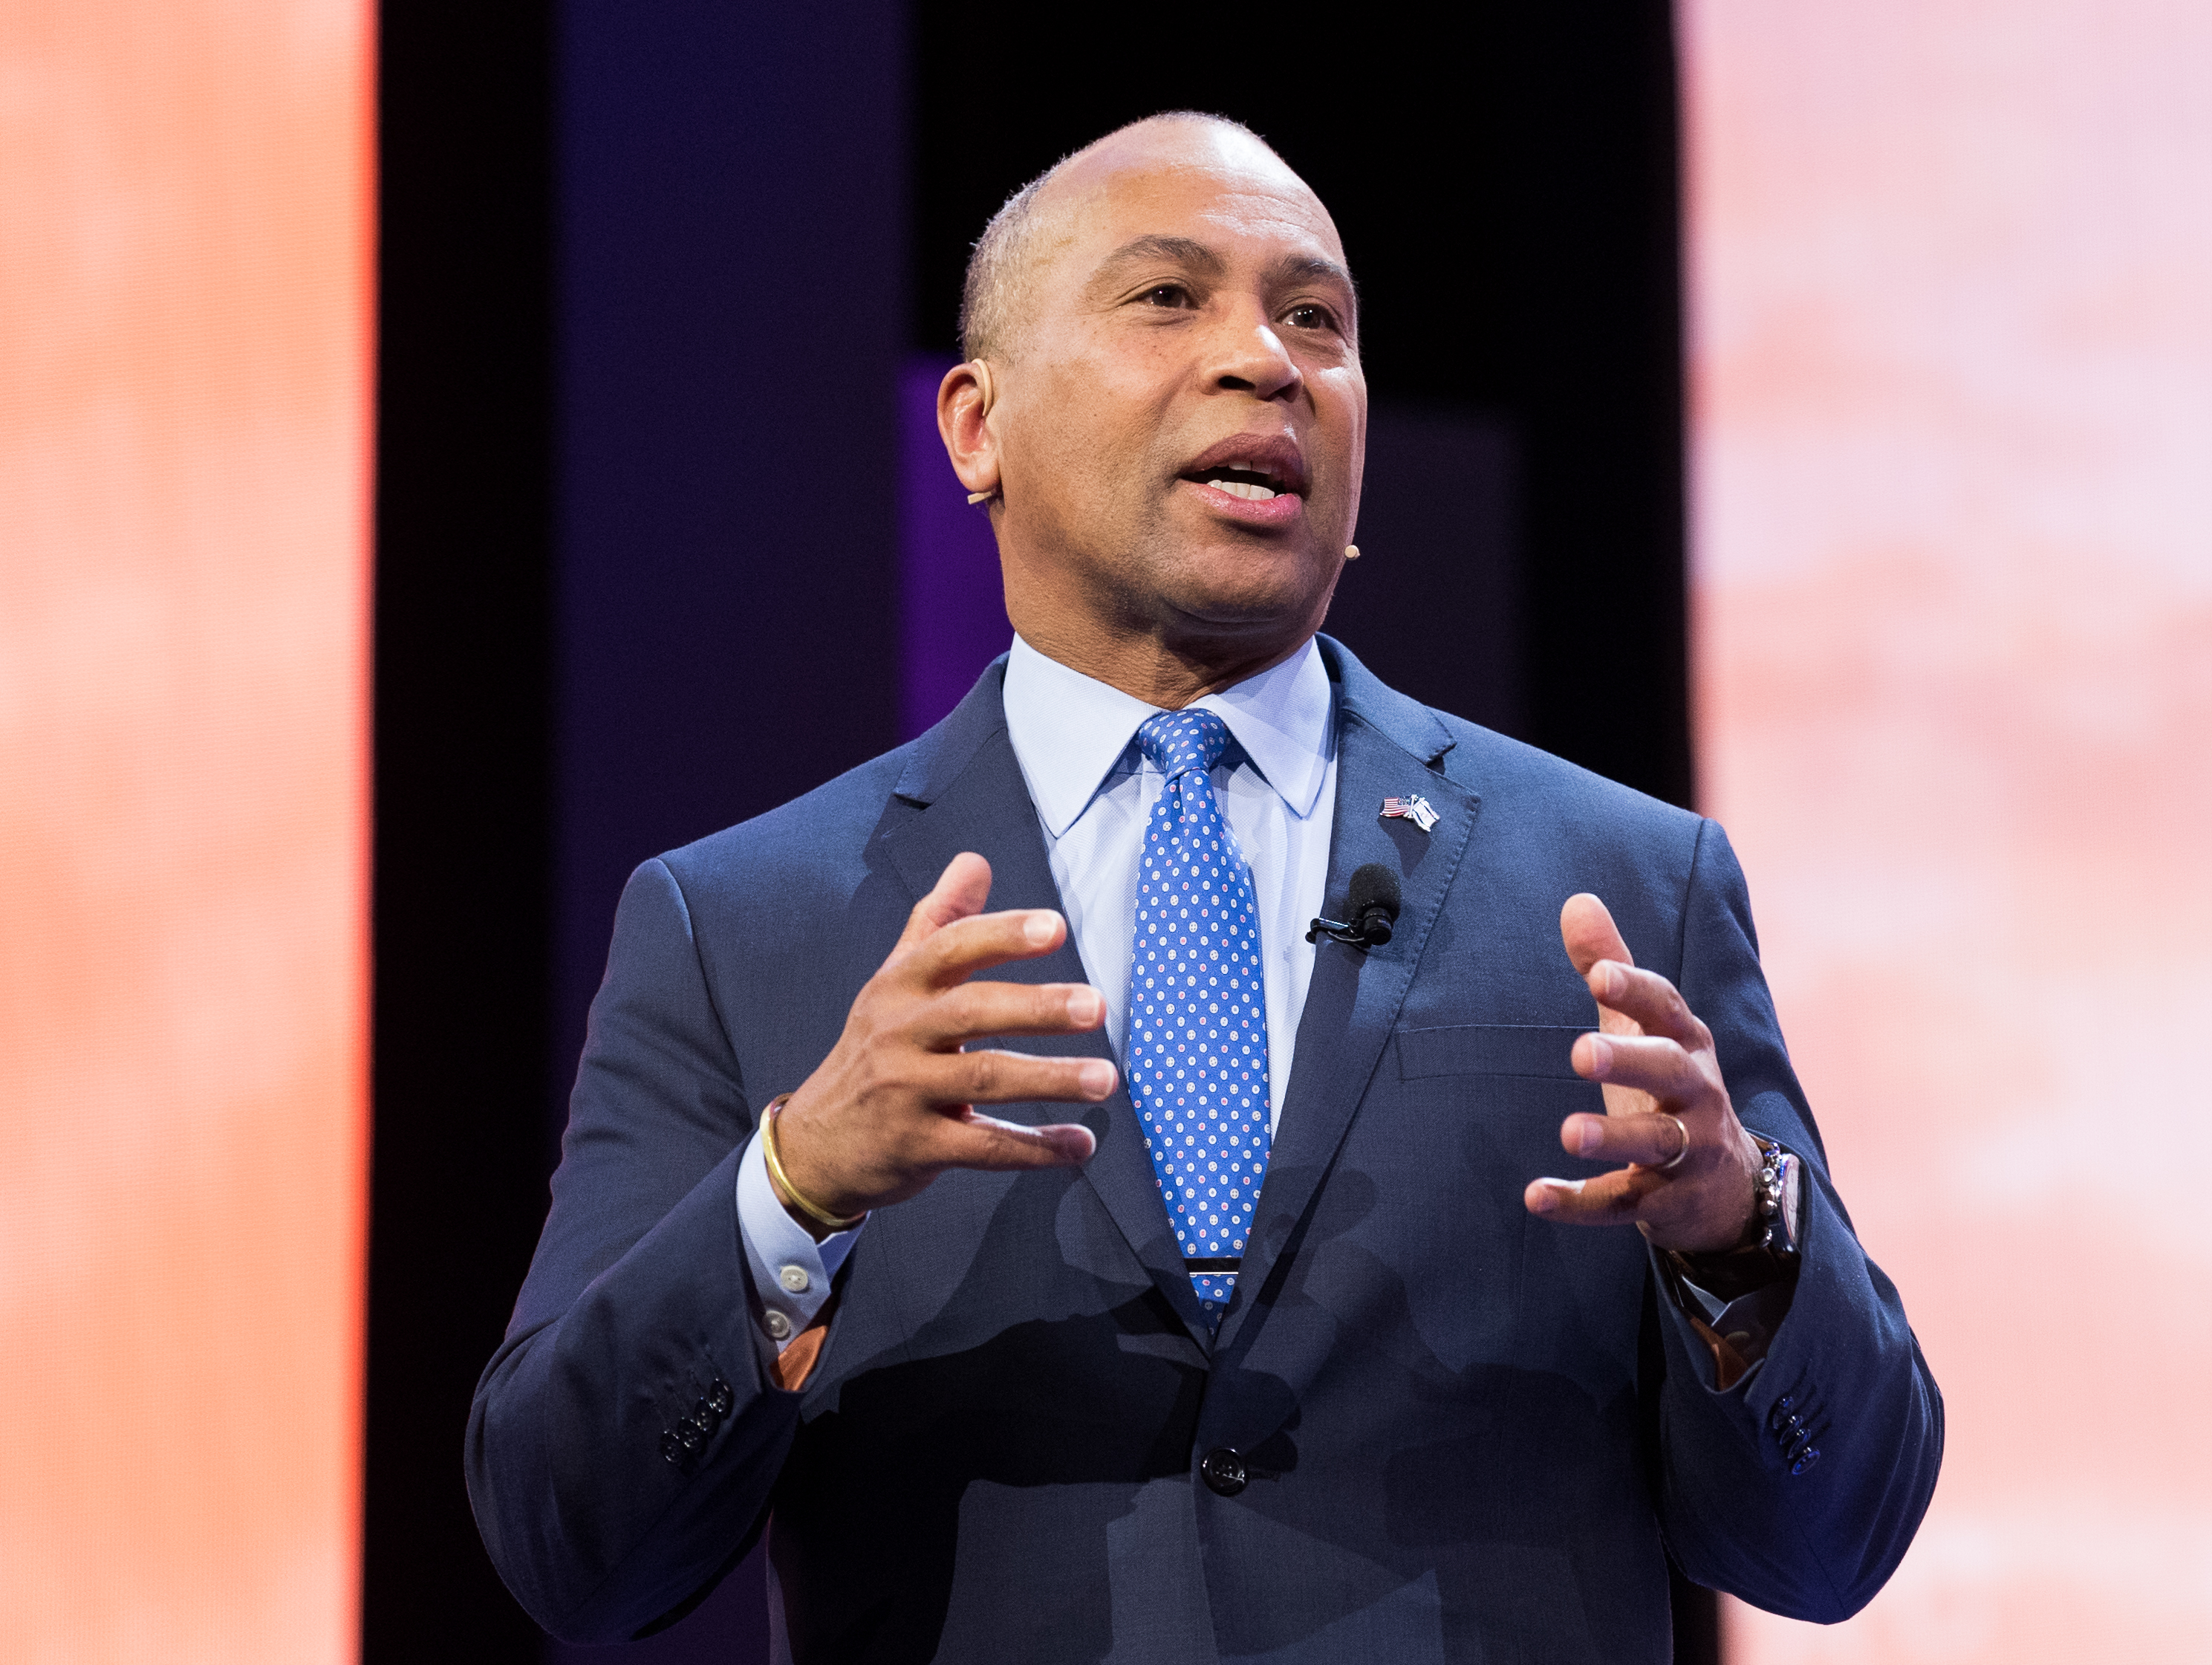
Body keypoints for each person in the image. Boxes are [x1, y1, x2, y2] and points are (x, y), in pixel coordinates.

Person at [468, 111, 1942, 1664]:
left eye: (1316, 318)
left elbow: (1836, 1537)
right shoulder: (739, 926)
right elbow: (571, 1544)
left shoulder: (1626, 881)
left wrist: (1738, 1235)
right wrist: (798, 1182)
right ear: (978, 427)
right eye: (1167, 298)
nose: (1265, 360)